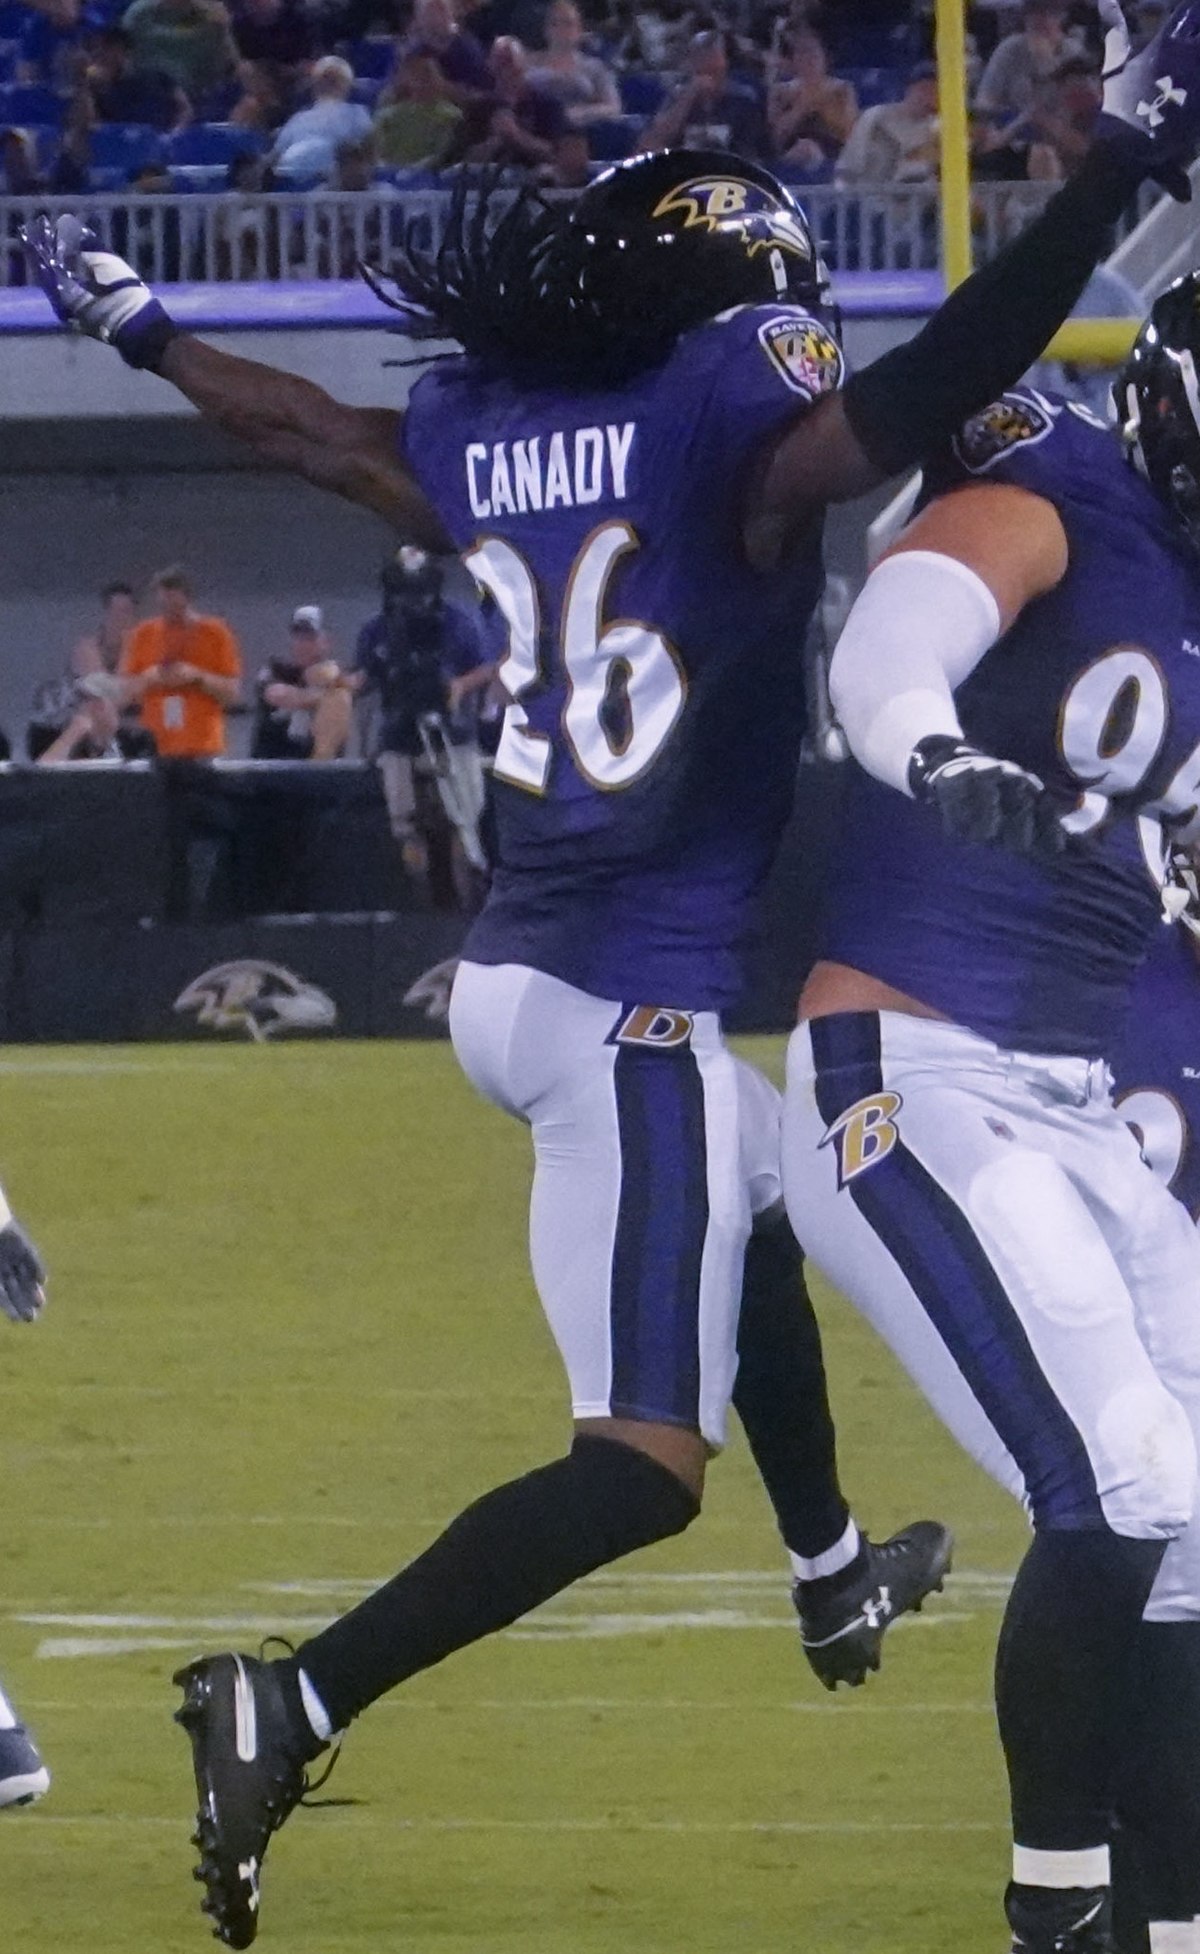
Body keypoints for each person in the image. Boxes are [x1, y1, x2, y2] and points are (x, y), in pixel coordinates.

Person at [22, 10, 1200, 1941]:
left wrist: (141, 324)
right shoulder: (721, 430)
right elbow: (941, 381)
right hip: (617, 995)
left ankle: (829, 1561)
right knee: (646, 1458)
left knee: (751, 1182)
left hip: (531, 964)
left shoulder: (504, 433)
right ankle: (298, 1691)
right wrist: (1110, 177)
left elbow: (303, 428)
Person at [783, 274, 1200, 1954]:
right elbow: (901, 630)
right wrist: (933, 749)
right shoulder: (1063, 487)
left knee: (1189, 1517)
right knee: (1113, 1485)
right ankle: (1057, 1908)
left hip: (1074, 1091)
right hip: (914, 1065)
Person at [352, 546, 490, 879]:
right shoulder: (377, 629)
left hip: (452, 732)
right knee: (404, 824)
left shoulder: (457, 622)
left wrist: (458, 686)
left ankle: (470, 876)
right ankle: (415, 889)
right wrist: (336, 681)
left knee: (465, 818)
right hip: (399, 735)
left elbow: (486, 667)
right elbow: (362, 677)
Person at [120, 565, 242, 758]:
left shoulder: (216, 633)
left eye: (174, 600)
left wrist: (197, 678)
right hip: (154, 746)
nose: (167, 606)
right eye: (163, 599)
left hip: (203, 746)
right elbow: (124, 693)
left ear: (187, 597)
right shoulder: (142, 634)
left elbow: (232, 694)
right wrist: (150, 678)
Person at [642, 29, 770, 159]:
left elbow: (755, 153)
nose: (708, 80)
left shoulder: (743, 100)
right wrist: (688, 97)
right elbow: (652, 143)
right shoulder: (677, 96)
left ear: (724, 66)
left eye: (714, 71)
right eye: (702, 72)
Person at [251, 605, 352, 760]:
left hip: (317, 770)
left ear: (325, 642)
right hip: (272, 767)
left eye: (310, 638)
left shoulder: (335, 676)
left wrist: (329, 689)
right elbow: (277, 695)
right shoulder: (275, 669)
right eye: (298, 637)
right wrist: (322, 696)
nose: (303, 644)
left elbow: (346, 692)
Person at [767, 23, 859, 173]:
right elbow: (776, 138)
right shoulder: (780, 91)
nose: (808, 60)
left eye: (813, 54)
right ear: (793, 59)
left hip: (832, 151)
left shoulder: (842, 89)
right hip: (792, 150)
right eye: (801, 53)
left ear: (824, 58)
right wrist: (801, 107)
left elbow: (849, 132)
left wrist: (822, 105)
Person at [835, 59, 940, 186]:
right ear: (909, 89)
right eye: (923, 89)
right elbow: (847, 167)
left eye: (935, 91)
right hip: (872, 199)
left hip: (920, 201)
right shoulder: (875, 116)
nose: (928, 97)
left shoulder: (939, 127)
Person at [978, 0, 1086, 117]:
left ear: (1062, 18)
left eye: (1049, 13)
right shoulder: (1009, 48)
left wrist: (1046, 61)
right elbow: (986, 99)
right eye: (1034, 12)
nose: (1040, 19)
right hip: (1011, 128)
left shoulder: (1073, 52)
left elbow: (1079, 111)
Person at [271, 54, 373, 175]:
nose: (328, 83)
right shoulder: (297, 119)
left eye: (334, 80)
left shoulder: (357, 114)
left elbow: (370, 154)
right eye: (324, 79)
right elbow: (274, 159)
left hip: (338, 188)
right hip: (294, 187)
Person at [527, 0, 621, 127]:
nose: (561, 30)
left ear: (580, 31)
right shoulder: (527, 63)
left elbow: (613, 107)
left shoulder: (595, 67)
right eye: (554, 24)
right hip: (533, 128)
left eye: (568, 24)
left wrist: (580, 113)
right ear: (545, 30)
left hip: (578, 133)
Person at [120, 0, 238, 101]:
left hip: (198, 98)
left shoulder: (211, 16)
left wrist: (226, 28)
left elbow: (225, 64)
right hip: (144, 97)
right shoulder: (139, 13)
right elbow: (121, 55)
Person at [372, 52, 463, 169]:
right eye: (416, 75)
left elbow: (441, 155)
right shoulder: (386, 116)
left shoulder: (451, 116)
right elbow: (376, 152)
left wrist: (412, 171)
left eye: (428, 74)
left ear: (440, 79)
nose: (421, 81)